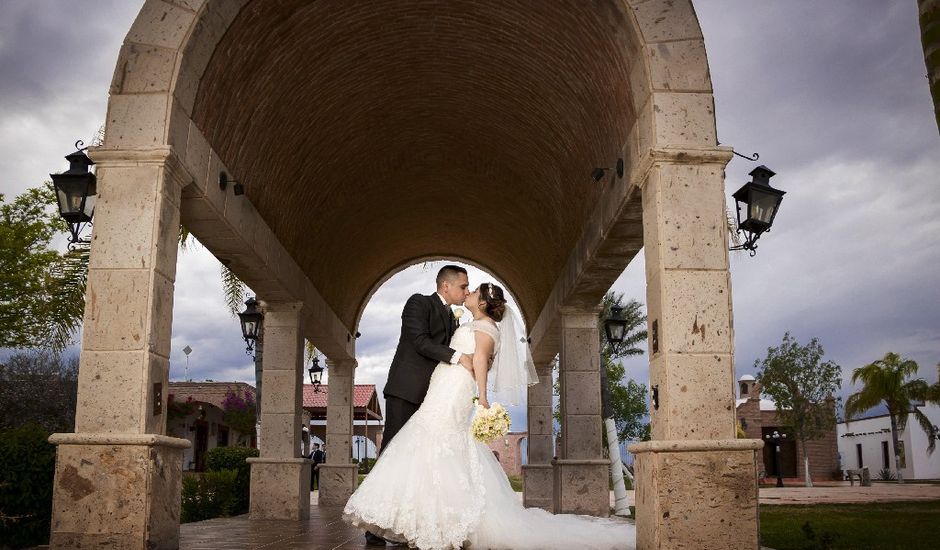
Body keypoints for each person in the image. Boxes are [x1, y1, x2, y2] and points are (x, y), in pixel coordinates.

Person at [344, 283, 635, 549]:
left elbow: (481, 359)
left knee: (434, 437)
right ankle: (425, 518)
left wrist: (483, 398)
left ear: (482, 304)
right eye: (465, 287)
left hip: (455, 388)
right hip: (444, 384)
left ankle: (440, 521)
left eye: (473, 292)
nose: (468, 292)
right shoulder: (473, 323)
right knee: (431, 442)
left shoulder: (485, 327)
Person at [364, 265, 473, 546]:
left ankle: (402, 524)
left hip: (432, 398)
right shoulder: (418, 302)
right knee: (391, 454)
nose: (466, 291)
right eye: (463, 286)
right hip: (405, 390)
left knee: (416, 461)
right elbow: (420, 341)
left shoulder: (454, 318)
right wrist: (457, 356)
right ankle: (374, 526)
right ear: (445, 286)